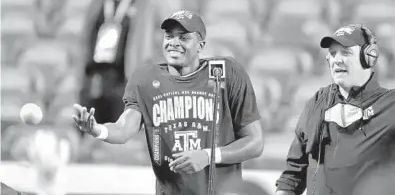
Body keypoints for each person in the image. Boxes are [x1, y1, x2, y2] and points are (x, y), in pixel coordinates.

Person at [73, 10, 264, 195]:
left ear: (201, 45)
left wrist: (207, 156)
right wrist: (97, 129)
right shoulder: (145, 79)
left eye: (183, 37)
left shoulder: (226, 72)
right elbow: (123, 129)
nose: (174, 43)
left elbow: (255, 143)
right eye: (169, 36)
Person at [275, 24, 395, 195]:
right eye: (332, 54)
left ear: (369, 57)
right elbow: (293, 175)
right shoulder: (317, 102)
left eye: (346, 53)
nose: (337, 60)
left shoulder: (390, 105)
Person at [80, 0, 147, 125]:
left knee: (119, 126)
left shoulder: (142, 2)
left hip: (123, 76)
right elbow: (87, 34)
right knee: (96, 125)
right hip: (98, 74)